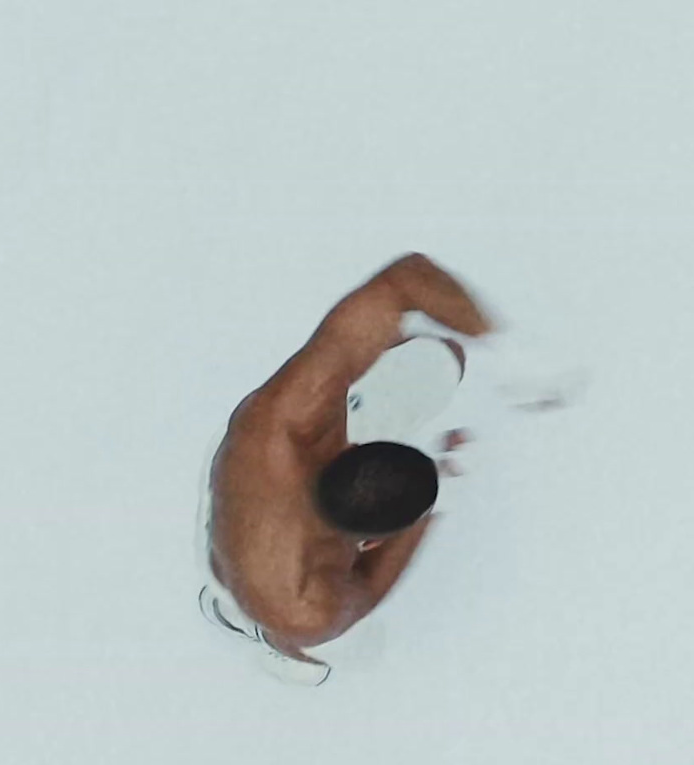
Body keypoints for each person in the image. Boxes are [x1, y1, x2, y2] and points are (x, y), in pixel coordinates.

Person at [197, 252, 583, 685]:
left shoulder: (282, 422)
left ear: (353, 447)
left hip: (246, 482)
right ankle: (260, 633)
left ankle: (249, 597)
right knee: (360, 649)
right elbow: (367, 590)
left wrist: (503, 346)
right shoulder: (306, 607)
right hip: (260, 586)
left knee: (443, 357)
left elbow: (402, 282)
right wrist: (445, 489)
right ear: (374, 541)